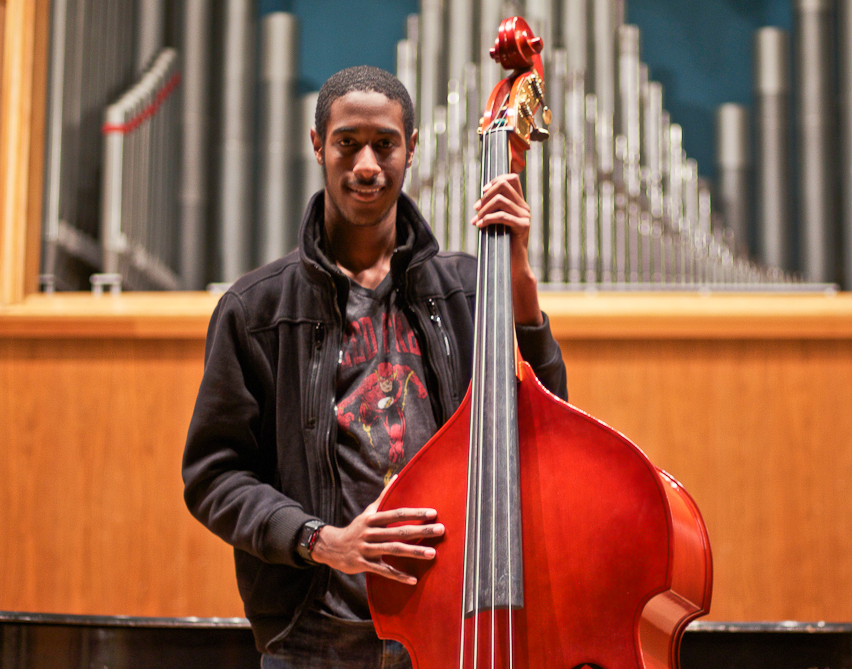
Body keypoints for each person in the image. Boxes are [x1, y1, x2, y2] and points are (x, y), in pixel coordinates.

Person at [182, 65, 567, 669]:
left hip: (453, 626)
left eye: (384, 144)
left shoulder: (471, 291)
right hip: (315, 641)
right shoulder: (255, 309)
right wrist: (320, 540)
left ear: (411, 149)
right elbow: (213, 475)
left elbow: (546, 424)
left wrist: (518, 284)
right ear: (317, 145)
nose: (367, 164)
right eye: (348, 143)